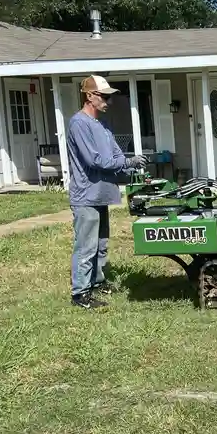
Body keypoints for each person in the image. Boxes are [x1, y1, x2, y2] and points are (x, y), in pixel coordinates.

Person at [66, 74, 147, 309]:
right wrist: (127, 163)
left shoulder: (102, 125)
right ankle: (80, 293)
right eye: (104, 96)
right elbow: (94, 160)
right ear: (89, 96)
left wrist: (129, 162)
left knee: (101, 243)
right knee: (86, 246)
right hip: (86, 195)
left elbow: (116, 154)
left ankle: (97, 282)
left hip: (101, 193)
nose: (107, 102)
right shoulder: (79, 124)